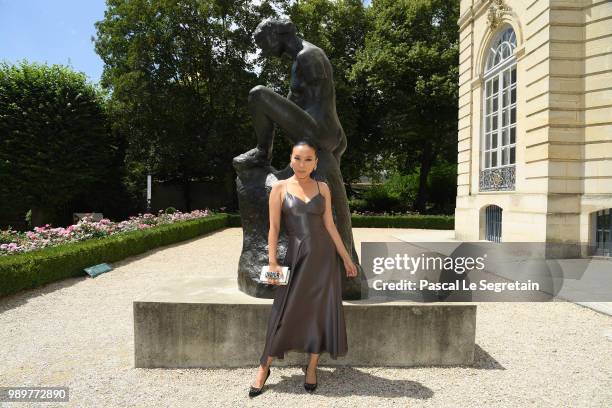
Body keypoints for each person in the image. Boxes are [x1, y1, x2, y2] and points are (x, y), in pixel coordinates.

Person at [248, 140, 358, 397]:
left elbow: (331, 226)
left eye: (308, 159)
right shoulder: (279, 188)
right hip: (296, 259)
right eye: (298, 158)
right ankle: (264, 367)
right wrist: (273, 261)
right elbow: (274, 229)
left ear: (316, 163)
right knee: (281, 313)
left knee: (318, 313)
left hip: (323, 261)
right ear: (290, 159)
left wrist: (346, 258)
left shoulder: (323, 187)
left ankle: (312, 368)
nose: (302, 164)